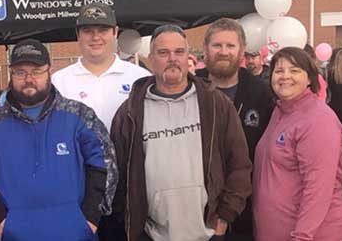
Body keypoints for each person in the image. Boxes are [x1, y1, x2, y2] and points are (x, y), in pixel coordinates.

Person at [104, 24, 252, 241]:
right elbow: (116, 177)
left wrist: (224, 218)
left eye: (179, 52)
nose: (172, 59)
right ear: (151, 57)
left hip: (209, 233)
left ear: (188, 56)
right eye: (163, 53)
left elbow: (239, 165)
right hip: (152, 235)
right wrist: (132, 221)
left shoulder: (215, 104)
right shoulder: (130, 113)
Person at [0, 39, 116, 241]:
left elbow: (104, 164)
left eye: (36, 71)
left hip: (76, 234)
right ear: (11, 74)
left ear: (49, 72)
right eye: (20, 72)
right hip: (14, 235)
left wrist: (90, 218)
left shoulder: (80, 116)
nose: (29, 79)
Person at [253, 47, 342, 241]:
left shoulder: (318, 119)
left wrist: (302, 236)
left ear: (309, 78)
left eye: (294, 70)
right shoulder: (280, 112)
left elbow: (318, 188)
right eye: (279, 70)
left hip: (317, 235)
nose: (285, 76)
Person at [194, 18, 274, 240]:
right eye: (217, 45)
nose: (223, 52)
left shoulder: (261, 94)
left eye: (230, 46)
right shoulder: (191, 88)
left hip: (244, 208)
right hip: (194, 206)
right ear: (205, 49)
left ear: (242, 51)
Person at [52, 3, 151, 130]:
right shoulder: (58, 81)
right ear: (78, 34)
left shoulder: (140, 78)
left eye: (103, 30)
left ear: (115, 32)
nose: (96, 37)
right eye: (88, 31)